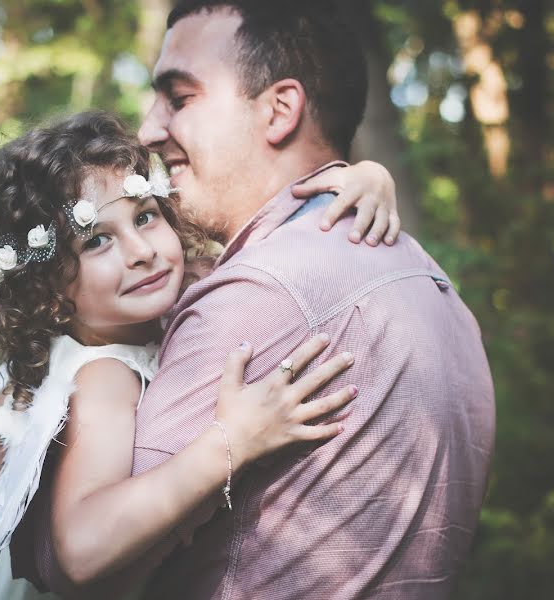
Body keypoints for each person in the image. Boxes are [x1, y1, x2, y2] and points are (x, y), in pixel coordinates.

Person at [0, 111, 403, 599]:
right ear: (47, 287)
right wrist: (233, 442)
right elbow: (80, 550)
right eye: (96, 241)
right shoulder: (104, 376)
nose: (140, 250)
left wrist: (368, 176)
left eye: (144, 216)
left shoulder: (158, 294)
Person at [121, 1, 496, 599]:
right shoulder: (438, 290)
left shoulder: (255, 295)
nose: (147, 129)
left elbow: (98, 564)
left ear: (280, 110)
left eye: (180, 97)